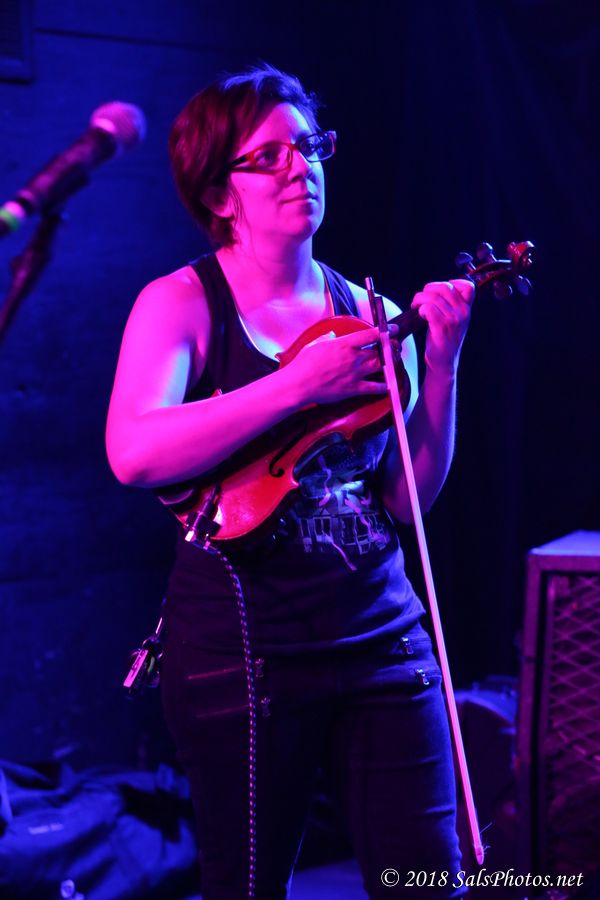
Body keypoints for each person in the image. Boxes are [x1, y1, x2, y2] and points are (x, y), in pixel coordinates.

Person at [106, 63, 474, 900]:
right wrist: (298, 385)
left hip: (382, 639)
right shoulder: (180, 304)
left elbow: (404, 500)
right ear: (219, 193)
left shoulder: (374, 314)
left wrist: (443, 370)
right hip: (242, 652)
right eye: (269, 156)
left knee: (428, 883)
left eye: (308, 148)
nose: (298, 168)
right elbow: (133, 452)